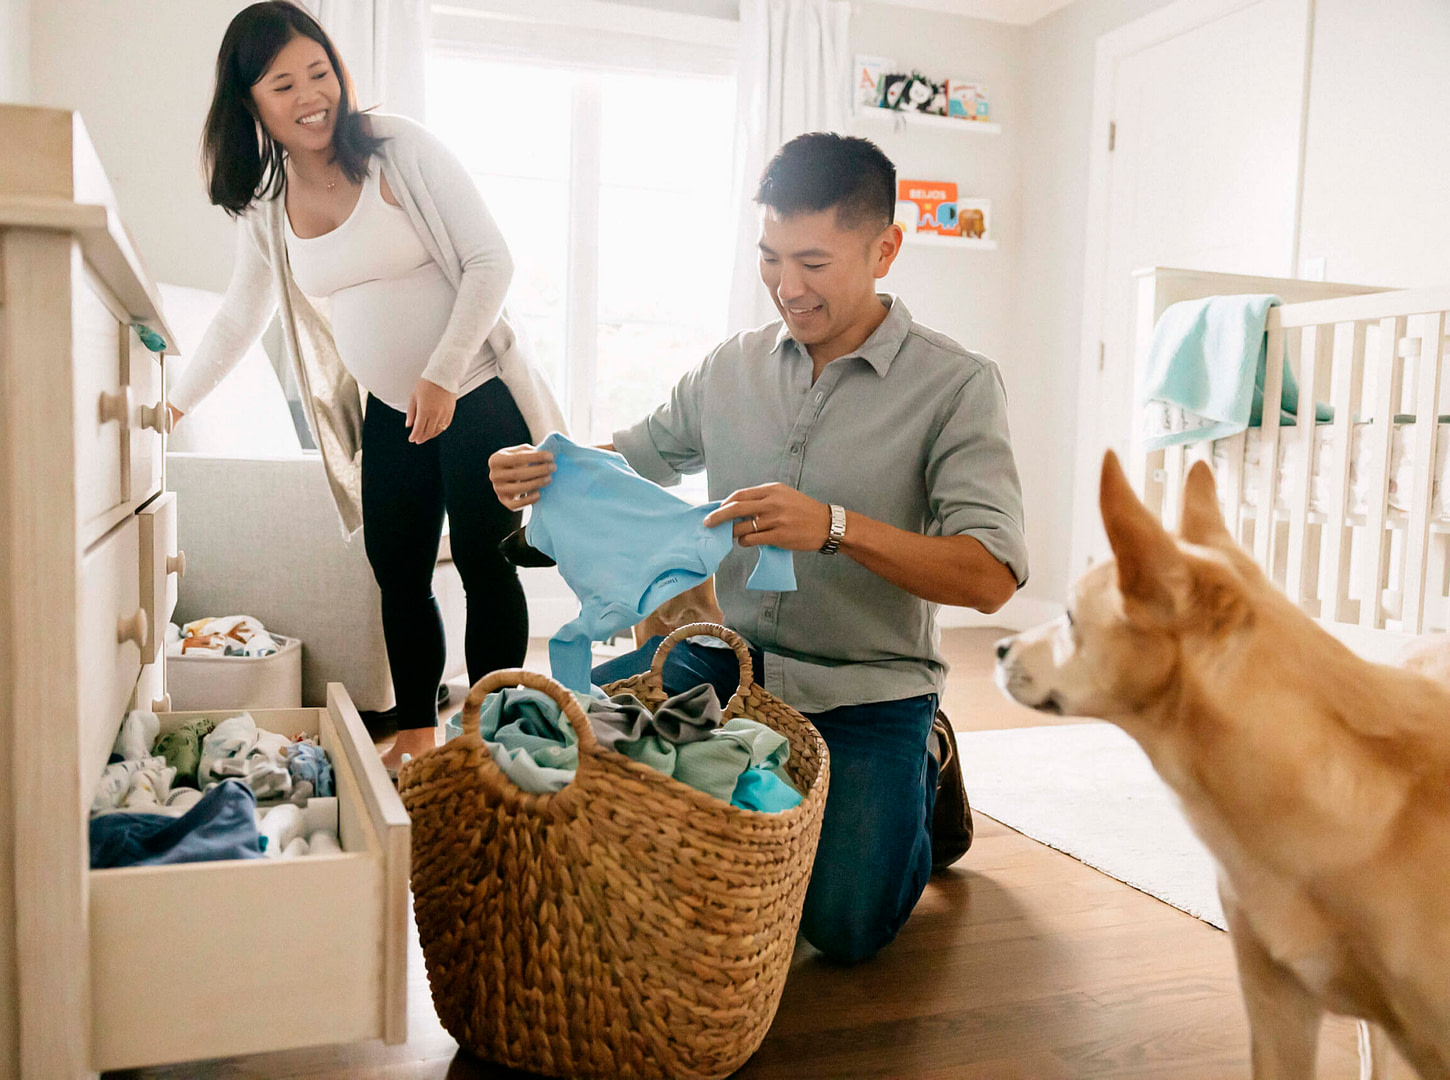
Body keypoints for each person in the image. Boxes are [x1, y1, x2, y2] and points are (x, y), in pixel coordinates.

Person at [488, 133, 1026, 964]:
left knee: (843, 928)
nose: (787, 287)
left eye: (814, 262)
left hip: (867, 690)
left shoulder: (957, 386)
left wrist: (834, 527)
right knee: (544, 748)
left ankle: (927, 763)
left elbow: (990, 577)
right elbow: (639, 455)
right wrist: (548, 471)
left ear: (885, 249)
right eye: (771, 258)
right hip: (720, 663)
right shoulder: (730, 366)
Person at [168, 2, 563, 771]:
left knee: (488, 567)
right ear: (250, 103)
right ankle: (417, 731)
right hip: (390, 411)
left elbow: (491, 261)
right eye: (284, 84)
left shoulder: (398, 149)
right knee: (398, 570)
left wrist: (443, 374)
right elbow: (240, 314)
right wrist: (175, 401)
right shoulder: (268, 199)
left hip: (477, 393)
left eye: (320, 71)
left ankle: (493, 742)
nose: (311, 95)